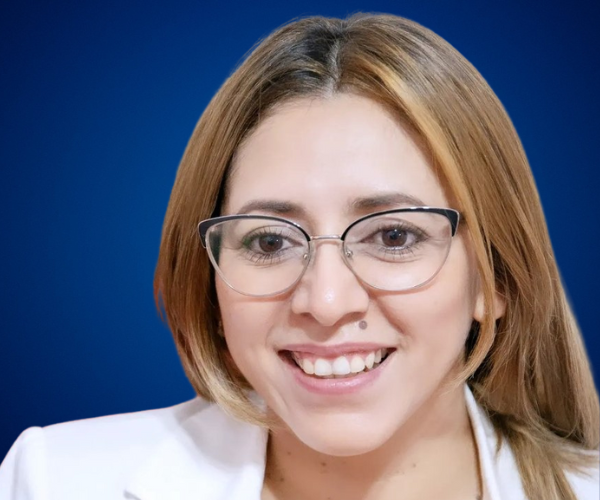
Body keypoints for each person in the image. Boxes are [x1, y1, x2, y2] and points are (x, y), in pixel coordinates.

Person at [0, 12, 598, 500]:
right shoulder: (56, 481)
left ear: (495, 281)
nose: (327, 302)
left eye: (393, 236)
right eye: (269, 242)